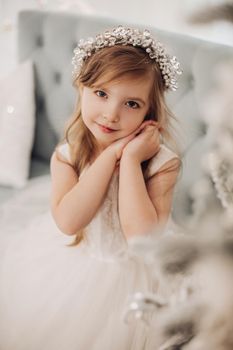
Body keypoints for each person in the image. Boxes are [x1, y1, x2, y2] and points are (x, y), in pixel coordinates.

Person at [0, 26, 182, 350]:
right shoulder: (67, 157)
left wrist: (129, 161)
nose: (111, 114)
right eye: (101, 93)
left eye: (131, 104)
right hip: (76, 264)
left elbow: (141, 239)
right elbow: (69, 222)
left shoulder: (162, 164)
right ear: (81, 88)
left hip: (138, 275)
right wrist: (113, 153)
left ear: (149, 113)